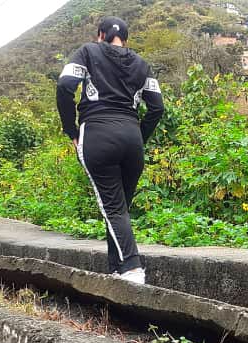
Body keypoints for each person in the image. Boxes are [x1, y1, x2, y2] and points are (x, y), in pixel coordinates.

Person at [56, 17, 164, 284]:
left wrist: (71, 130)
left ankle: (132, 269)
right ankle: (116, 271)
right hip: (131, 139)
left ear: (100, 35)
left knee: (112, 208)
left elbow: (64, 86)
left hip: (98, 134)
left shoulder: (88, 51)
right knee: (118, 208)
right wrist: (140, 136)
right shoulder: (142, 63)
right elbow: (157, 107)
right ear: (125, 39)